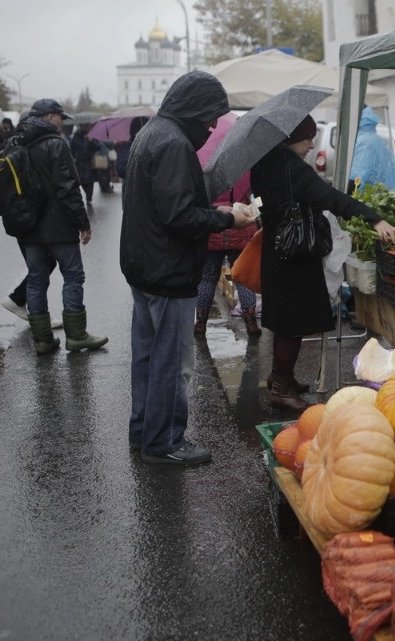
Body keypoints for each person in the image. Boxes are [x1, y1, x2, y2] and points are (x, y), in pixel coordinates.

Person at [120, 70, 255, 466]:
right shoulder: (174, 143)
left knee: (146, 356)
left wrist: (217, 210)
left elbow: (167, 205)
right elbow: (180, 217)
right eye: (211, 115)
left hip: (144, 266)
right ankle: (164, 443)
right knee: (171, 363)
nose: (213, 124)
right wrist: (230, 219)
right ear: (194, 108)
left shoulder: (151, 133)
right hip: (168, 271)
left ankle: (143, 430)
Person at [250, 115, 395, 411]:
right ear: (294, 137)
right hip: (296, 254)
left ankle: (282, 377)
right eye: (308, 138)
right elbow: (331, 198)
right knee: (294, 323)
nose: (311, 145)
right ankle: (280, 388)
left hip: (276, 250)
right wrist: (374, 217)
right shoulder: (293, 168)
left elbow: (260, 202)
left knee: (283, 321)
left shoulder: (263, 163)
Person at [10, 99, 108, 354]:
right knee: (73, 276)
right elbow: (68, 188)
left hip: (27, 226)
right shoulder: (56, 144)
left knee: (35, 280)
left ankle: (42, 340)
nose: (62, 122)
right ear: (49, 117)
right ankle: (76, 335)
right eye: (59, 117)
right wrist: (83, 223)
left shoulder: (13, 143)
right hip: (58, 226)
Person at [195, 191, 261, 337]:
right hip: (241, 230)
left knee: (207, 278)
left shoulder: (207, 175)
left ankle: (200, 324)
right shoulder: (244, 173)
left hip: (213, 228)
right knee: (243, 279)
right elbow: (255, 200)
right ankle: (251, 324)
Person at [349, 106, 395, 222]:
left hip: (373, 207)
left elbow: (356, 177)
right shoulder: (377, 140)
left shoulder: (363, 142)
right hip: (389, 204)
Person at [69, 122, 106, 205]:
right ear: (80, 126)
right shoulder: (76, 136)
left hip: (90, 162)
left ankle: (89, 197)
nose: (86, 127)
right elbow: (72, 148)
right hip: (80, 163)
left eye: (87, 125)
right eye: (84, 125)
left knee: (90, 181)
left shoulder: (92, 135)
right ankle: (87, 194)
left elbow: (99, 146)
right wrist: (72, 158)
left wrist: (91, 141)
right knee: (81, 181)